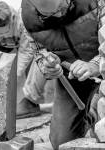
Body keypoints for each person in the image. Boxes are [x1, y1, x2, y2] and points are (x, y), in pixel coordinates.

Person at [21, 0, 102, 149]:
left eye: (62, 8)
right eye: (49, 15)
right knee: (61, 141)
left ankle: (99, 107)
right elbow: (40, 53)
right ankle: (94, 114)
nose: (59, 16)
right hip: (72, 76)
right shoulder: (29, 17)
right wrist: (48, 67)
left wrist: (95, 64)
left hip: (101, 64)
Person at [0, 0, 41, 119]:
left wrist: (15, 73)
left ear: (12, 18)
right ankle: (2, 104)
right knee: (0, 76)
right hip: (4, 48)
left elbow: (27, 49)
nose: (3, 31)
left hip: (27, 42)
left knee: (28, 66)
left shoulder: (23, 16)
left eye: (5, 27)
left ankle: (30, 103)